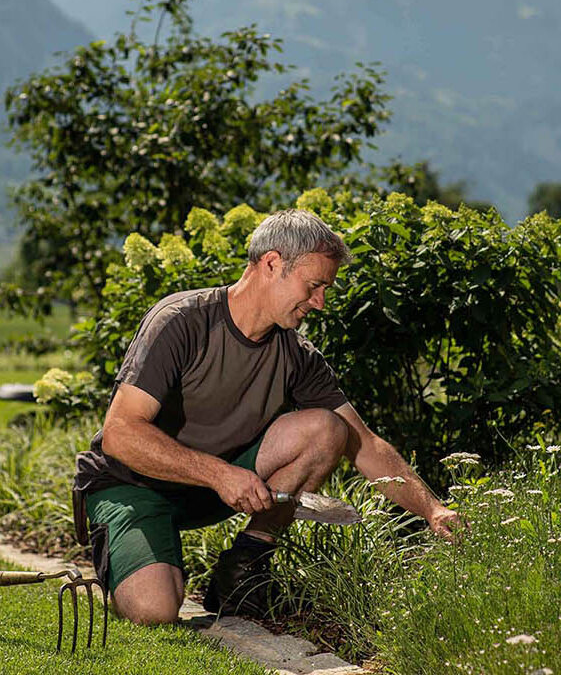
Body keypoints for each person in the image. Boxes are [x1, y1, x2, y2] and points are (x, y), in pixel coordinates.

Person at [73, 209, 464, 625]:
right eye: (314, 286)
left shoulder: (296, 355)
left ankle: (242, 571)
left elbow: (364, 444)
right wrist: (220, 474)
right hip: (132, 485)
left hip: (210, 488)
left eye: (325, 290)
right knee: (155, 610)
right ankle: (126, 559)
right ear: (272, 263)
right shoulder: (181, 321)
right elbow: (120, 434)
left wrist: (433, 510)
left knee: (328, 429)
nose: (320, 302)